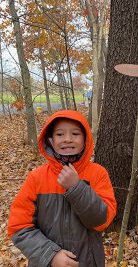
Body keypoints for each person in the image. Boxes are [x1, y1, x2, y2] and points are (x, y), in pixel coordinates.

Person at [8, 110, 117, 267]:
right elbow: (19, 227)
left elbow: (101, 220)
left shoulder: (98, 173)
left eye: (75, 133)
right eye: (60, 134)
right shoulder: (36, 178)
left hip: (87, 261)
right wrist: (50, 255)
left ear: (86, 139)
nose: (67, 139)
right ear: (50, 140)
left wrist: (77, 187)